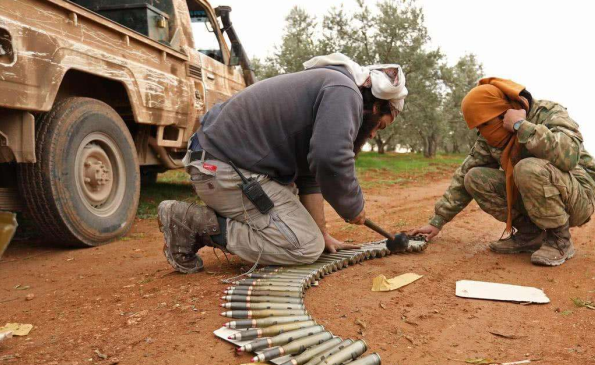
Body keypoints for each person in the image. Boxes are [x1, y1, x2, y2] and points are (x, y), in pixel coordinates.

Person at [157, 53, 408, 273]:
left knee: (314, 239)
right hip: (225, 170)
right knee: (305, 247)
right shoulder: (345, 92)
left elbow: (311, 175)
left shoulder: (333, 85)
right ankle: (192, 223)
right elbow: (329, 159)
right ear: (375, 107)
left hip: (227, 165)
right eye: (380, 125)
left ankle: (221, 218)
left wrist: (322, 232)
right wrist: (353, 207)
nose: (374, 134)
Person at [411, 78, 595, 266]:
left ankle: (560, 240)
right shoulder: (490, 140)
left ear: (503, 112)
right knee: (474, 178)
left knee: (527, 168)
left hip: (578, 196)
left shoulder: (548, 113)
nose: (484, 133)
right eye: (478, 128)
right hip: (539, 192)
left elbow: (569, 156)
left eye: (485, 124)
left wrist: (521, 126)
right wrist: (437, 221)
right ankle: (529, 234)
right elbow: (463, 176)